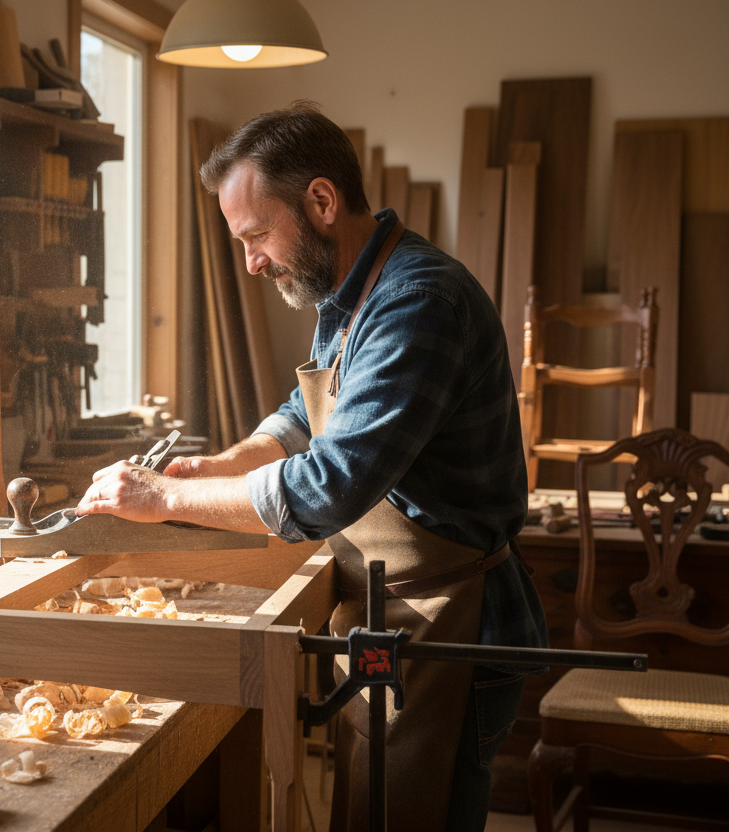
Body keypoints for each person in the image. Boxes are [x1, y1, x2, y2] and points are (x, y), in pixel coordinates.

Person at [77, 101, 547, 831]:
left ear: (322, 201)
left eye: (258, 234)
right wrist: (223, 466)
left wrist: (162, 493)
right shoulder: (353, 291)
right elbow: (305, 417)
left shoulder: (417, 301)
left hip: (451, 627)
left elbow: (331, 484)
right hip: (391, 615)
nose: (252, 262)